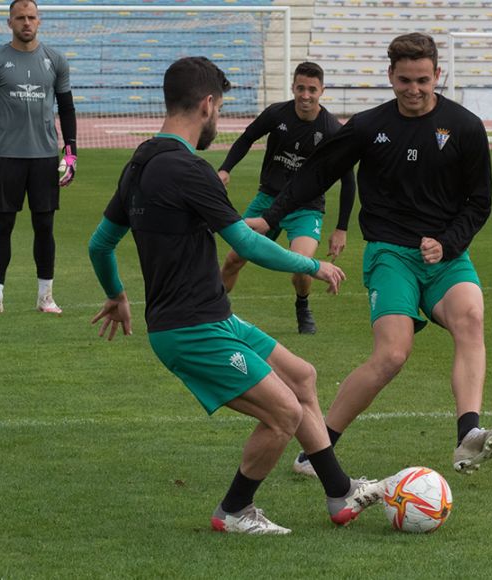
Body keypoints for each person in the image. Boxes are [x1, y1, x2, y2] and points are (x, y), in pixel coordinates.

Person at [87, 57, 386, 535]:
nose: (219, 119)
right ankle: (234, 511)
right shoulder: (190, 169)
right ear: (207, 104)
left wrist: (117, 295)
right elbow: (245, 245)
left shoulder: (138, 163)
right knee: (284, 413)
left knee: (302, 376)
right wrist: (314, 264)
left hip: (211, 317)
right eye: (220, 108)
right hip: (191, 331)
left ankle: (339, 492)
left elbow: (100, 244)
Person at [246, 33, 492, 477]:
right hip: (390, 252)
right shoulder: (369, 126)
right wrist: (272, 215)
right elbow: (317, 174)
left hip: (445, 255)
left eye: (423, 80)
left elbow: (479, 201)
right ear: (390, 76)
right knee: (392, 355)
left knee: (470, 318)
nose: (414, 90)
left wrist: (448, 242)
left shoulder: (465, 127)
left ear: (437, 75)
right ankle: (318, 451)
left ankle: (469, 436)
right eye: (405, 80)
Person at [218, 62, 356, 334]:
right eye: (301, 88)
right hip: (267, 199)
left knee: (302, 267)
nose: (306, 95)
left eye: (312, 90)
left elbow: (348, 179)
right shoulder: (276, 114)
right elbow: (247, 138)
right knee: (234, 259)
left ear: (322, 91)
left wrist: (341, 228)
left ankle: (302, 306)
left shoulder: (331, 129)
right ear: (293, 87)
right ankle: (214, 312)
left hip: (306, 208)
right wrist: (225, 168)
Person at [0, 0, 77, 316]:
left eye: (31, 17)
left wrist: (70, 152)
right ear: (9, 22)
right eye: (20, 18)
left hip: (44, 157)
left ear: (39, 21)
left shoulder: (55, 60)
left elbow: (67, 108)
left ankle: (46, 296)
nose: (26, 23)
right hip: (8, 156)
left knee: (45, 226)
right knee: (2, 226)